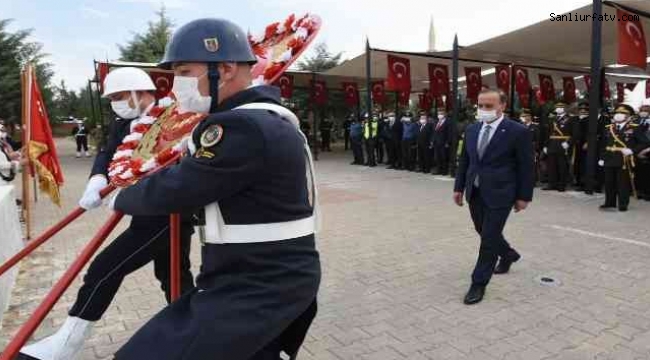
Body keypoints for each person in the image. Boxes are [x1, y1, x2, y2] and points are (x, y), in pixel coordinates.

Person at [106, 18, 321, 360]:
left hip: (258, 285)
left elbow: (180, 188)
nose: (178, 85)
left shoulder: (243, 126)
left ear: (226, 68)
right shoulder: (261, 119)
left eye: (185, 71)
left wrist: (122, 194)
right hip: (263, 276)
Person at [17, 67, 196, 360]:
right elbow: (107, 152)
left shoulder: (173, 117)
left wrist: (129, 196)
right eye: (112, 98)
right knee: (173, 275)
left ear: (142, 92)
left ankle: (67, 343)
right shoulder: (123, 121)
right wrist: (97, 179)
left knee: (104, 268)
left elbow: (176, 167)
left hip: (169, 215)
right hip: (146, 215)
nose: (116, 103)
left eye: (120, 96)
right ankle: (189, 334)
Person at [453, 89, 533, 305]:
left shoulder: (518, 131)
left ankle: (478, 283)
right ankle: (507, 254)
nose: (483, 110)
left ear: (502, 106)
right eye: (480, 105)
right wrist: (459, 187)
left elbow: (526, 167)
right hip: (475, 191)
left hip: (502, 193)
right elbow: (465, 161)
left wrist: (524, 196)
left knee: (488, 238)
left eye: (489, 106)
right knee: (482, 230)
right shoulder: (472, 129)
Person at [598, 104, 638, 212]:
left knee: (622, 183)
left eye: (622, 113)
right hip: (609, 157)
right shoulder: (609, 128)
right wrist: (602, 158)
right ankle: (609, 203)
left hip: (623, 159)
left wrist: (632, 150)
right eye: (617, 113)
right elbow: (603, 144)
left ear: (628, 116)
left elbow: (645, 142)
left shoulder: (634, 128)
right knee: (609, 182)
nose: (619, 115)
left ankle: (623, 204)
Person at [543, 101, 579, 192]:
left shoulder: (571, 119)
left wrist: (569, 143)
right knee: (551, 166)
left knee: (562, 166)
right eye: (557, 107)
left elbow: (576, 134)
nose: (558, 108)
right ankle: (552, 184)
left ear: (565, 108)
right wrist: (546, 145)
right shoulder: (552, 119)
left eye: (561, 107)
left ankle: (561, 184)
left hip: (563, 144)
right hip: (552, 144)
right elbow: (548, 133)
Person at [520, 109, 540, 186]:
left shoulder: (535, 126)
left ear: (529, 117)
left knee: (531, 166)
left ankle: (532, 181)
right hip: (521, 149)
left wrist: (536, 150)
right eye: (522, 116)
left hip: (531, 149)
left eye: (524, 116)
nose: (523, 117)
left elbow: (538, 139)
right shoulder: (519, 126)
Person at [573, 103, 590, 190]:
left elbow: (590, 132)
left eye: (585, 110)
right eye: (581, 109)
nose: (583, 111)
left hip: (584, 144)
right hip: (575, 144)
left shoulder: (590, 119)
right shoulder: (575, 119)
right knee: (576, 163)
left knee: (584, 164)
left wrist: (587, 142)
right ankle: (578, 181)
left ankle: (584, 183)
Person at [634, 112, 650, 200]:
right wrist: (637, 152)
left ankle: (647, 193)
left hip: (647, 151)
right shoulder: (636, 121)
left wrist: (645, 151)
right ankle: (639, 191)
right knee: (640, 173)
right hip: (638, 150)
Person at [432, 108, 453, 175]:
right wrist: (432, 140)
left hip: (443, 142)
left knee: (444, 157)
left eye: (441, 113)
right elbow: (434, 132)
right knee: (437, 157)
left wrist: (448, 142)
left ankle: (444, 171)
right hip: (436, 142)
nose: (439, 115)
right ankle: (438, 170)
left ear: (444, 114)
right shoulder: (436, 122)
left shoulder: (448, 122)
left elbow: (449, 133)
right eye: (438, 113)